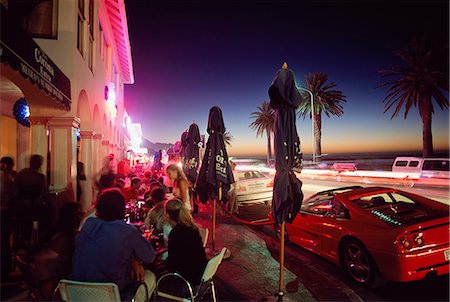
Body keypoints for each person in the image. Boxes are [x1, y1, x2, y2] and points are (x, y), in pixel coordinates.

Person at [71, 188, 156, 300]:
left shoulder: (88, 225)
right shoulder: (128, 231)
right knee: (149, 276)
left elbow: (99, 248)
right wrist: (134, 259)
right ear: (122, 209)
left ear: (99, 207)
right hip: (110, 295)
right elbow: (149, 257)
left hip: (77, 292)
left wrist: (132, 260)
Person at [30, 202, 83, 299]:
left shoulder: (55, 231)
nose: (81, 216)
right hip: (51, 288)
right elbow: (66, 269)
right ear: (72, 217)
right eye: (79, 214)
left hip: (41, 284)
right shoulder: (63, 239)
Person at [165, 198, 207, 286]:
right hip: (201, 273)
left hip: (185, 279)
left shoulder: (175, 234)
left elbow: (173, 263)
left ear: (168, 215)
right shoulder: (193, 228)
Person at [14, 154, 49, 243]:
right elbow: (44, 194)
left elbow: (15, 191)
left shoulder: (21, 174)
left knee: (23, 219)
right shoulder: (40, 177)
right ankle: (41, 241)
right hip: (34, 207)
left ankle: (21, 238)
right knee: (48, 215)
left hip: (21, 207)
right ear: (40, 164)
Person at [1, 156, 16, 278]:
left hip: (5, 212)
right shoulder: (6, 178)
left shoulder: (8, 178)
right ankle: (5, 269)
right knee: (4, 240)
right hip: (4, 212)